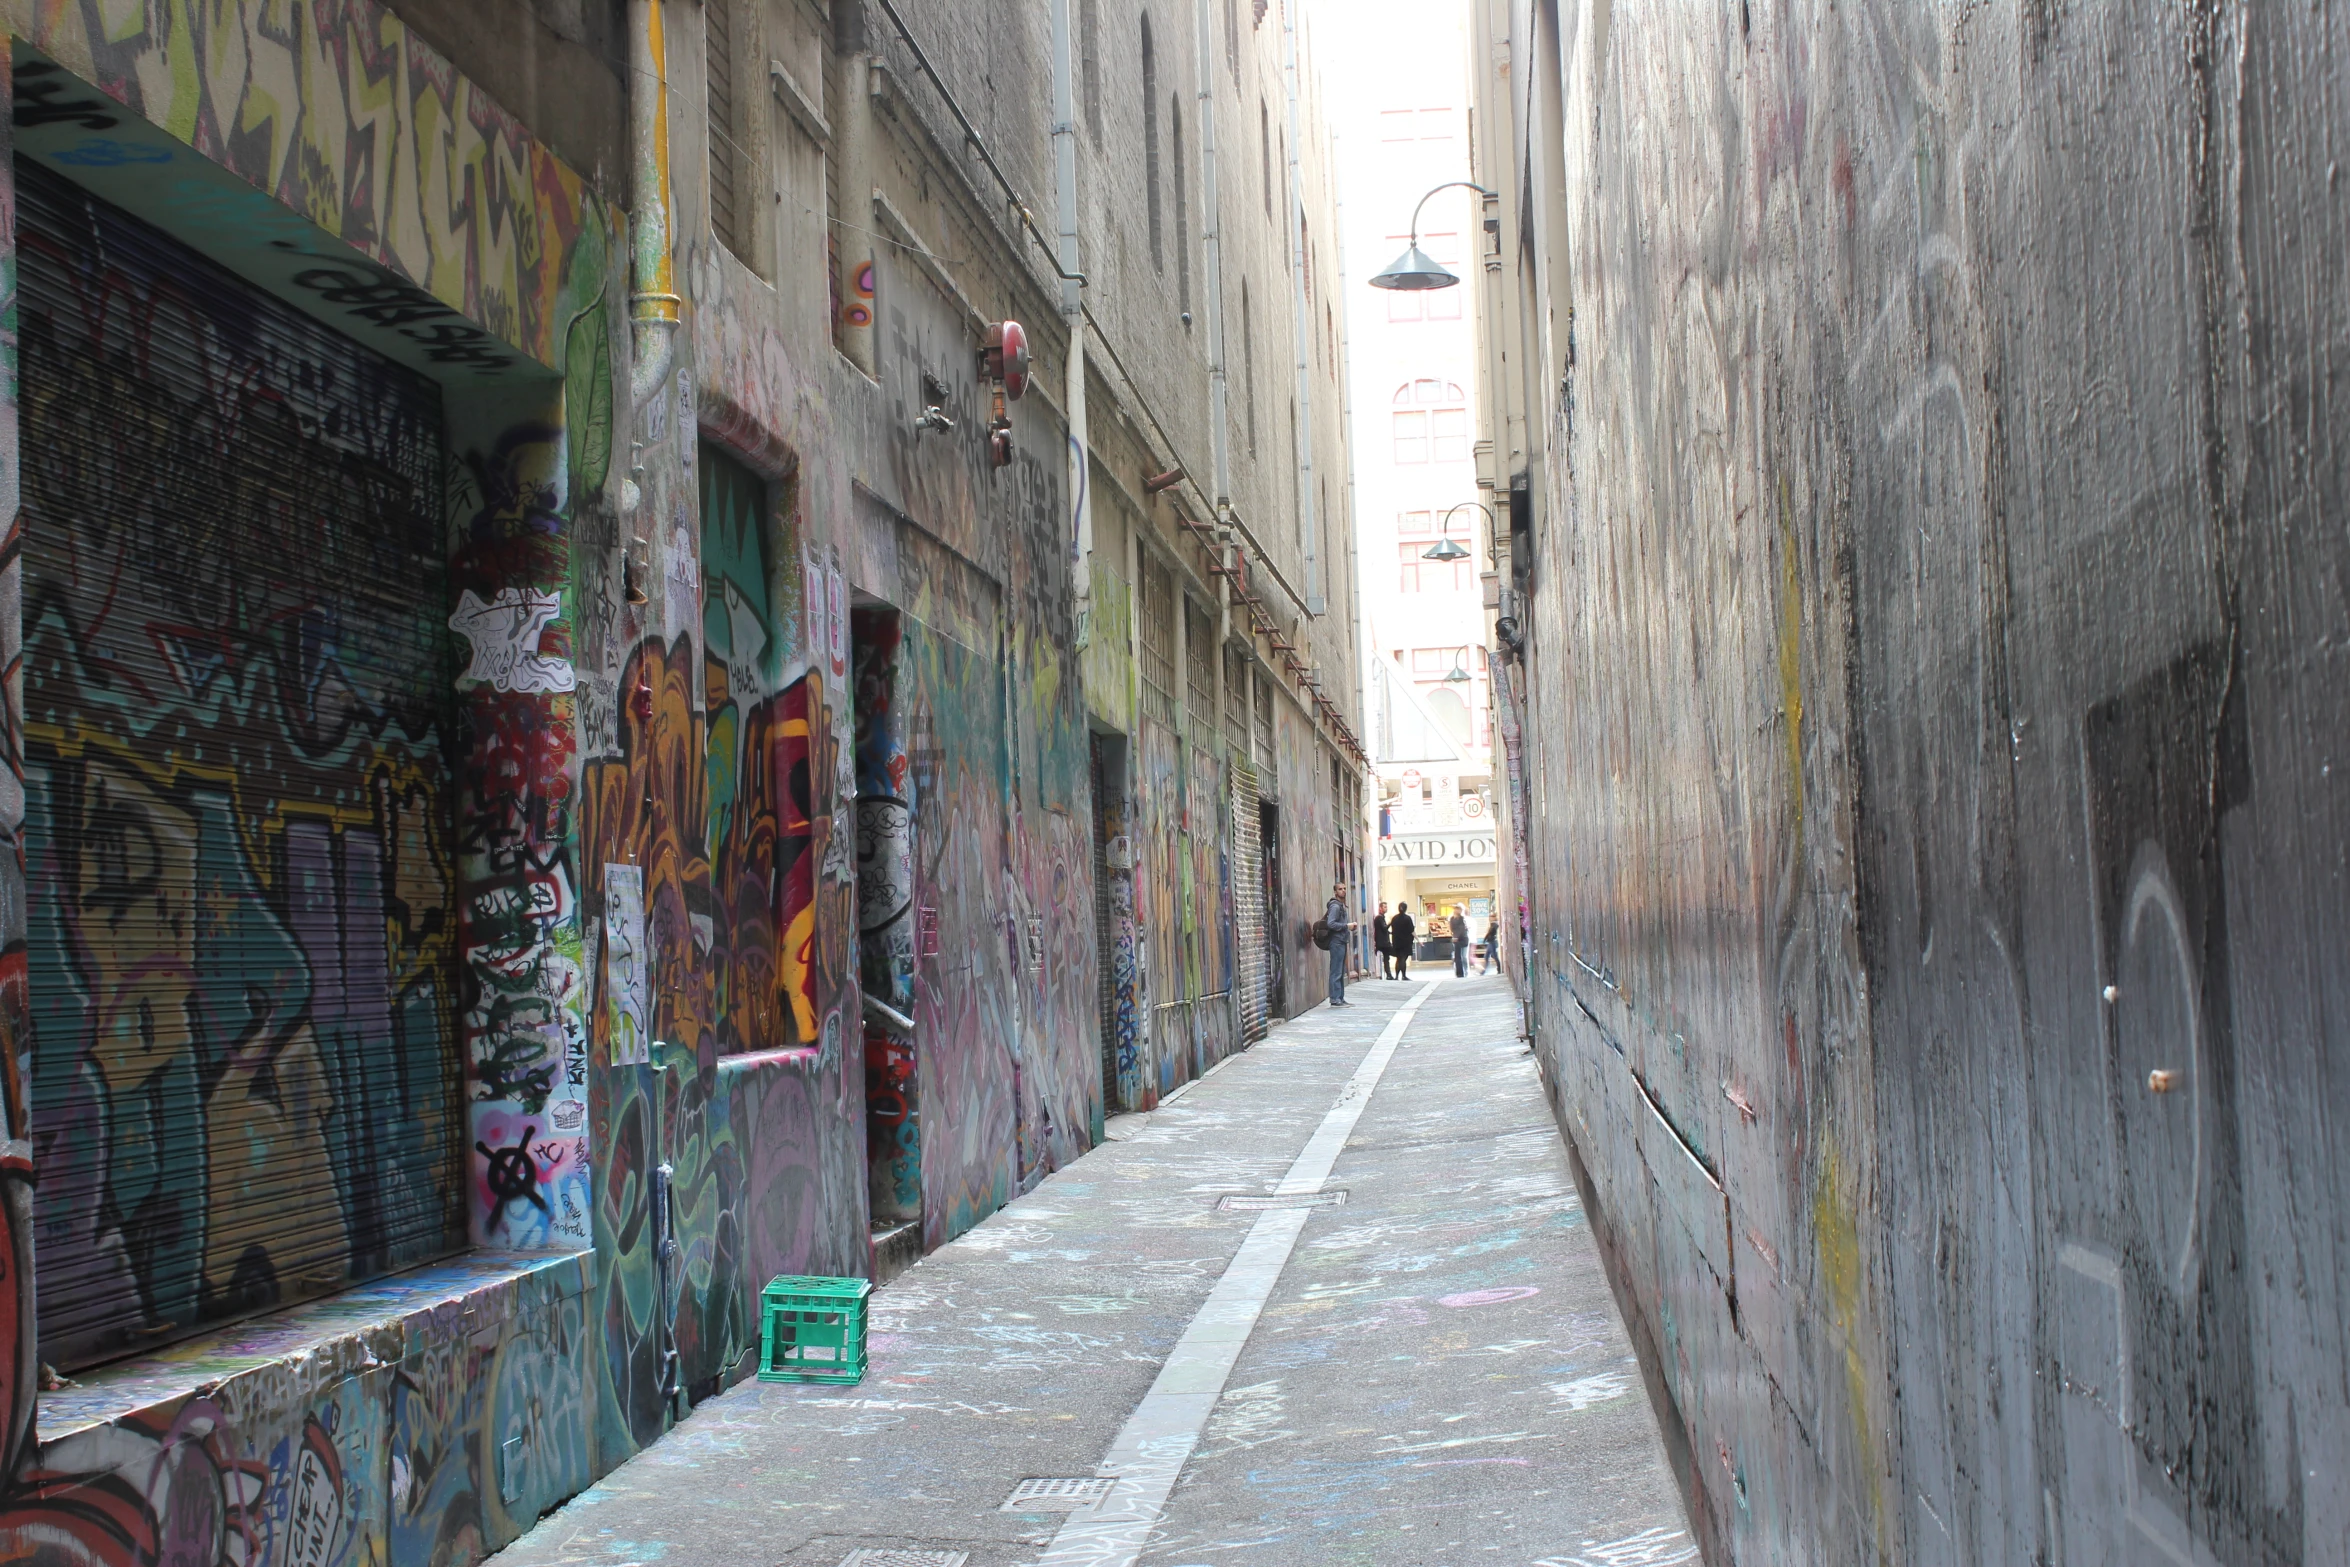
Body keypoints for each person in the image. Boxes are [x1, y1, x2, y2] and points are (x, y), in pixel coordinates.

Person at [1324, 883, 1356, 1007]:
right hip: (1336, 942)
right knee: (1336, 971)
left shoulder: (1341, 906)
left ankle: (1340, 998)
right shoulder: (1335, 907)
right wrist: (1346, 926)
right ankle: (1335, 999)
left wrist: (1349, 928)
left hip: (1341, 941)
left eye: (1344, 889)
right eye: (1340, 889)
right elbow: (1330, 924)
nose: (1343, 891)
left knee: (1340, 971)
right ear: (1335, 892)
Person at [1389, 901, 1415, 980]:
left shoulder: (1394, 918)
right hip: (1406, 942)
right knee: (1403, 958)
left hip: (1396, 941)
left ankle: (1397, 976)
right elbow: (1412, 930)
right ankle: (1403, 975)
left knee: (1398, 958)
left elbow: (1392, 928)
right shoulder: (1407, 918)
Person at [1370, 901, 1393, 980]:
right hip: (1383, 942)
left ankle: (1389, 974)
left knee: (1386, 958)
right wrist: (1391, 922)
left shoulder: (1380, 917)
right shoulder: (1379, 917)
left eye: (1386, 907)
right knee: (1387, 958)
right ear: (1380, 908)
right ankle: (1389, 974)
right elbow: (1384, 928)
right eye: (1384, 907)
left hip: (1382, 942)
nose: (1386, 908)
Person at [1450, 906, 1471, 977]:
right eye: (1456, 910)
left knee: (1464, 956)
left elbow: (1462, 929)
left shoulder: (1462, 918)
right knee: (1458, 957)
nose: (1456, 911)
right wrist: (1454, 936)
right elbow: (1452, 928)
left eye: (1458, 910)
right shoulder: (1452, 919)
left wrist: (1456, 936)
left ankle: (1466, 971)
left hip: (1463, 939)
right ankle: (1459, 973)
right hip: (1456, 940)